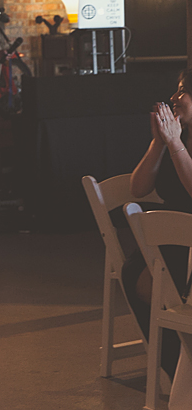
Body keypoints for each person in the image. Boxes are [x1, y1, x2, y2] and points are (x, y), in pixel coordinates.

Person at [127, 69, 192, 408]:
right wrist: (158, 142)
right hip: (173, 241)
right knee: (133, 273)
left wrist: (176, 143)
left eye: (184, 91)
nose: (176, 97)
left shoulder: (180, 139)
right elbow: (137, 190)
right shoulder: (173, 137)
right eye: (177, 89)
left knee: (145, 280)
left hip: (190, 245)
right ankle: (175, 369)